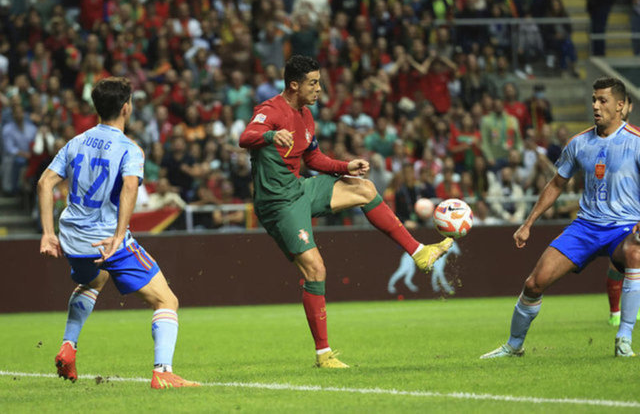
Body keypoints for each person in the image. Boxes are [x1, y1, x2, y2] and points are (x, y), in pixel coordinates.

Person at [239, 56, 452, 368]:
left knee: (364, 188)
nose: (319, 89)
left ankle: (419, 252)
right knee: (316, 270)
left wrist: (345, 166)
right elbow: (245, 137)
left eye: (319, 82)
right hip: (278, 203)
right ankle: (323, 355)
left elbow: (314, 159)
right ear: (294, 85)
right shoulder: (270, 110)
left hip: (300, 189)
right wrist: (270, 135)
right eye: (313, 83)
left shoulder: (306, 116)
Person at [37, 77, 199, 388]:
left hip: (72, 239)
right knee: (167, 301)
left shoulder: (76, 142)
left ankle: (68, 346)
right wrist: (118, 235)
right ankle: (163, 373)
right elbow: (129, 187)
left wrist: (47, 233)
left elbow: (45, 183)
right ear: (126, 108)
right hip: (106, 240)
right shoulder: (129, 149)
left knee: (94, 279)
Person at [481, 77, 640, 359]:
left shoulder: (636, 141)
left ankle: (624, 338)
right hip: (585, 227)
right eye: (594, 100)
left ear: (619, 106)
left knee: (635, 253)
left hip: (624, 227)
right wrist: (528, 223)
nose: (596, 106)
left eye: (603, 101)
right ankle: (514, 345)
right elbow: (556, 184)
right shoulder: (579, 143)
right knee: (534, 283)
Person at [605, 94, 640, 325]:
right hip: (613, 210)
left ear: (629, 106)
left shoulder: (637, 137)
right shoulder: (604, 138)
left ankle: (630, 309)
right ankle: (615, 312)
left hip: (635, 209)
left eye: (623, 104)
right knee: (617, 263)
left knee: (634, 260)